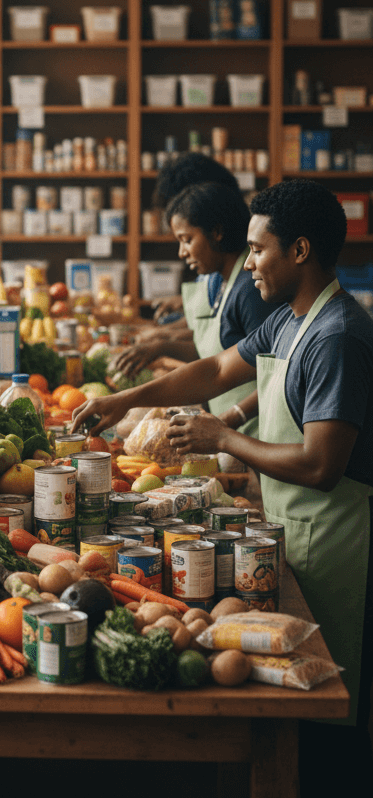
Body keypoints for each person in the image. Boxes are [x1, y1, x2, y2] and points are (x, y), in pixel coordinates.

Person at [72, 180, 373, 790]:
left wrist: (224, 437)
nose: (250, 263)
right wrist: (121, 400)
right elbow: (213, 368)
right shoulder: (291, 323)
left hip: (338, 539)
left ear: (300, 251)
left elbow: (321, 465)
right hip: (294, 526)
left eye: (259, 250)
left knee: (325, 709)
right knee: (294, 697)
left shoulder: (337, 335)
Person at [112, 181, 279, 434]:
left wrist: (229, 421)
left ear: (217, 232)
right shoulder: (222, 281)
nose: (182, 252)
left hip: (254, 432)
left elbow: (271, 377)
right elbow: (219, 354)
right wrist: (161, 345)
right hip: (231, 432)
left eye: (187, 239)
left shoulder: (249, 290)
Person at [147, 153, 243, 327]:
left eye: (187, 239)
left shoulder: (241, 272)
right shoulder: (213, 263)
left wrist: (161, 339)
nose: (182, 252)